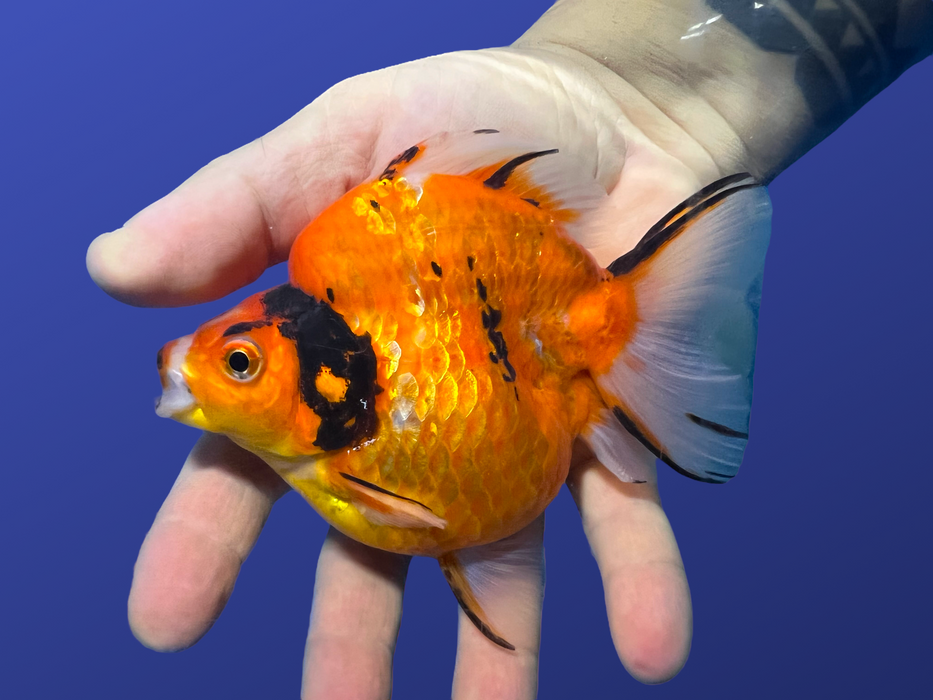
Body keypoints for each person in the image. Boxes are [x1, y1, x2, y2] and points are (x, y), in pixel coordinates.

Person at [85, 1, 933, 698]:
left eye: (243, 364)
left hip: (538, 303)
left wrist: (627, 84)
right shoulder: (334, 330)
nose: (201, 370)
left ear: (321, 377)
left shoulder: (348, 271)